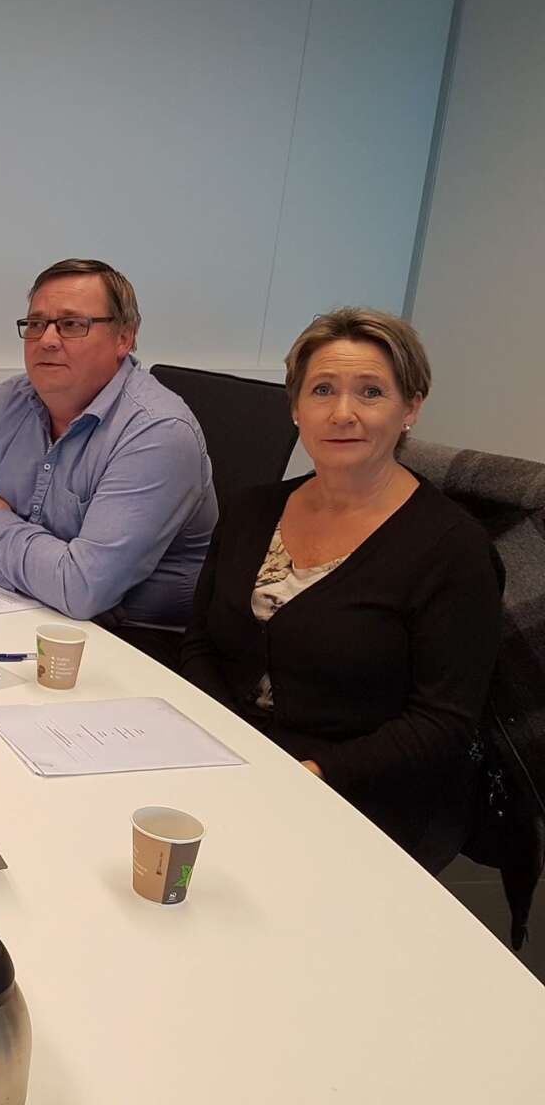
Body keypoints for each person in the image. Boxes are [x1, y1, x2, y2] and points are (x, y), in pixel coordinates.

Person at [180, 308, 501, 871]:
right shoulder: (253, 509)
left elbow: (442, 722)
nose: (342, 413)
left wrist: (309, 773)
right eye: (322, 390)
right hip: (234, 762)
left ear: (410, 408)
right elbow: (199, 642)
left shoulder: (453, 548)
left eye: (371, 392)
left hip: (362, 795)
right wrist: (227, 744)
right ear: (296, 407)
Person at [0, 258, 217, 665]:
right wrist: (49, 577)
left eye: (72, 324)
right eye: (36, 324)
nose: (46, 340)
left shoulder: (158, 431)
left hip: (136, 644)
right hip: (27, 612)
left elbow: (81, 590)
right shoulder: (8, 401)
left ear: (124, 338)